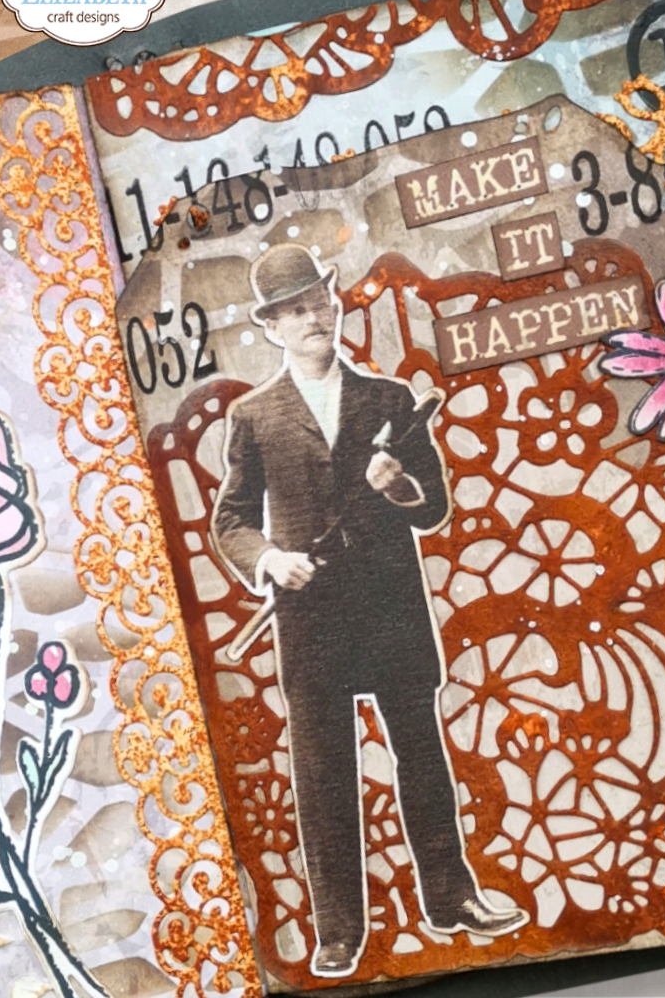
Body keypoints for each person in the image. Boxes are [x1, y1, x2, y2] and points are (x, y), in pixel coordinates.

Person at [211, 243, 527, 977]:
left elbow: (434, 508)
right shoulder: (253, 416)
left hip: (390, 609)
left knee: (421, 754)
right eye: (294, 311)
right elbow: (230, 519)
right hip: (310, 618)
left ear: (335, 306)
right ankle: (338, 930)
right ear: (272, 327)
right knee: (323, 773)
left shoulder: (390, 401)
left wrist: (397, 488)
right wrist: (269, 560)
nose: (313, 318)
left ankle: (451, 897)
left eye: (319, 303)